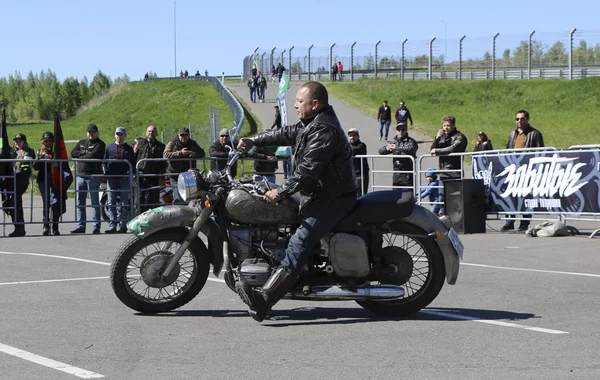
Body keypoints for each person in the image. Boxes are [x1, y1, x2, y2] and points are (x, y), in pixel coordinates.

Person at [235, 81, 357, 322]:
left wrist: (282, 190)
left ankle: (264, 300)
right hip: (318, 193)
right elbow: (285, 132)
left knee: (299, 242)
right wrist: (255, 140)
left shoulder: (325, 130)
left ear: (315, 104)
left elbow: (308, 169)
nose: (294, 104)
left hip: (332, 198)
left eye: (299, 101)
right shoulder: (312, 124)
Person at [501, 110, 544, 232]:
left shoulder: (535, 134)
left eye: (522, 119)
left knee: (526, 197)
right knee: (511, 196)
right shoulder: (512, 134)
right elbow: (508, 150)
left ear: (527, 120)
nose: (519, 121)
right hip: (513, 170)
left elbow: (541, 152)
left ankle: (524, 223)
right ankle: (509, 222)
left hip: (528, 170)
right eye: (517, 119)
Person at [70, 123, 106, 234]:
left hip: (93, 176)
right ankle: (81, 226)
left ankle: (96, 226)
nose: (91, 134)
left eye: (93, 132)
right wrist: (83, 153)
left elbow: (92, 156)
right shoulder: (82, 142)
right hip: (80, 175)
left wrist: (81, 156)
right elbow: (73, 153)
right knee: (80, 202)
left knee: (94, 202)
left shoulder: (100, 144)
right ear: (87, 133)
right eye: (89, 132)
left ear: (97, 132)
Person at [430, 115, 468, 216]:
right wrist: (437, 138)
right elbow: (432, 149)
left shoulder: (459, 137)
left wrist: (437, 151)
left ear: (454, 125)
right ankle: (440, 218)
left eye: (448, 125)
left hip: (454, 172)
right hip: (443, 172)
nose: (446, 127)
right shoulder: (442, 137)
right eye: (444, 125)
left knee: (454, 199)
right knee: (442, 197)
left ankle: (454, 219)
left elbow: (452, 149)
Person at [34, 132, 70, 236]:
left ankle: (55, 226)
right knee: (46, 202)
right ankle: (46, 226)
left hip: (55, 179)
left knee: (56, 202)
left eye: (50, 141)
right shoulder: (39, 151)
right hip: (44, 179)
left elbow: (63, 164)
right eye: (46, 141)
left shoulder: (56, 152)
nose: (48, 143)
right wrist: (40, 159)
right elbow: (35, 167)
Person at [103, 127, 135, 234]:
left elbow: (133, 164)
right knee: (111, 202)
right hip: (111, 179)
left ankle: (123, 225)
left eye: (121, 134)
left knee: (124, 202)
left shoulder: (129, 149)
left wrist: (132, 174)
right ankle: (113, 225)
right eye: (117, 134)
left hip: (124, 179)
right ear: (114, 135)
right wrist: (105, 173)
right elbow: (104, 162)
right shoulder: (109, 148)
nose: (119, 136)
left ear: (124, 136)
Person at [3, 133, 35, 237]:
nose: (17, 143)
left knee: (14, 202)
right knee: (11, 203)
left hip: (21, 181)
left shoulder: (29, 151)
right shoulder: (12, 152)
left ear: (24, 142)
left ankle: (19, 228)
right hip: (12, 181)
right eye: (16, 141)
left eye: (19, 141)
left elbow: (25, 167)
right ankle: (19, 227)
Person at [164, 127, 205, 203]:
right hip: (176, 174)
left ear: (188, 136)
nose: (183, 137)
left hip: (189, 175)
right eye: (181, 135)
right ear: (178, 135)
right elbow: (166, 154)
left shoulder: (193, 143)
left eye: (185, 135)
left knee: (191, 196)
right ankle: (179, 213)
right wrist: (180, 153)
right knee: (178, 196)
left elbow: (202, 153)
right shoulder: (172, 143)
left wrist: (193, 153)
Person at [135, 125, 167, 213]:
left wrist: (161, 177)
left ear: (156, 133)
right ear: (146, 132)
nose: (151, 133)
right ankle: (138, 220)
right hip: (141, 176)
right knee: (139, 199)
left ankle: (152, 222)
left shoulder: (161, 146)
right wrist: (134, 173)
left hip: (154, 176)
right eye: (149, 131)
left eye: (153, 131)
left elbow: (164, 164)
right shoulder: (140, 143)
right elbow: (134, 158)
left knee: (154, 201)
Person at [379, 123, 418, 188]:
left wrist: (396, 148)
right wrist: (387, 148)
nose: (401, 131)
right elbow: (381, 151)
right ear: (396, 131)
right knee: (395, 196)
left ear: (406, 131)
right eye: (398, 129)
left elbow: (411, 149)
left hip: (407, 174)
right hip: (396, 173)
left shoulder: (411, 141)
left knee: (408, 195)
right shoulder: (394, 142)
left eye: (403, 129)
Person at [347, 128, 369, 196]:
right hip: (350, 175)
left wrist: (343, 148)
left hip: (361, 175)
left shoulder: (362, 145)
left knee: (361, 196)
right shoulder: (346, 146)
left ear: (358, 136)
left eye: (354, 135)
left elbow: (353, 151)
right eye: (350, 136)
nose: (352, 137)